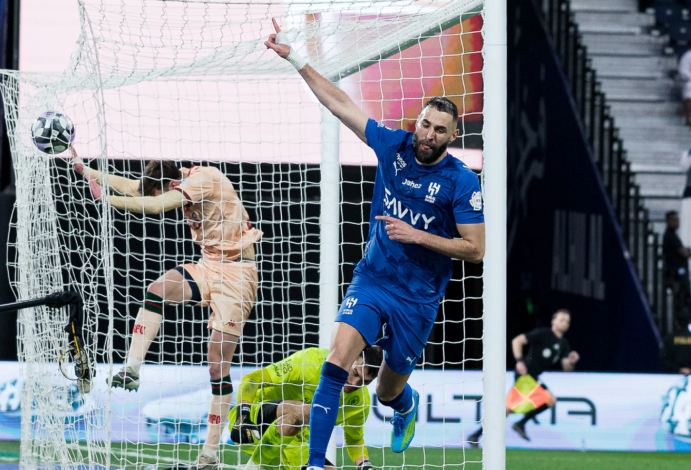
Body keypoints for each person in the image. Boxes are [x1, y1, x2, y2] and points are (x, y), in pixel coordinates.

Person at [264, 18, 486, 467]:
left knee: (385, 391)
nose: (428, 135)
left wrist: (418, 235)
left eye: (439, 130)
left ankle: (405, 404)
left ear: (453, 136)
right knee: (336, 364)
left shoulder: (462, 181)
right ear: (417, 122)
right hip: (373, 280)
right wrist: (297, 59)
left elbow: (476, 249)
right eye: (425, 124)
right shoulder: (393, 146)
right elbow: (340, 103)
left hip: (417, 298)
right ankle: (316, 462)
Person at [71, 147, 262, 470]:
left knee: (217, 365)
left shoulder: (203, 180)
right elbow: (136, 188)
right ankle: (132, 368)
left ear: (173, 185)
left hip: (238, 275)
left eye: (162, 191)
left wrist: (106, 200)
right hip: (209, 265)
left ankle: (209, 454)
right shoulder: (173, 181)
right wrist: (87, 172)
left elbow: (155, 205)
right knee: (157, 290)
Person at [222, 347, 380, 470]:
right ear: (349, 357)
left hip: (292, 444)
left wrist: (365, 465)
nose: (355, 384)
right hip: (253, 423)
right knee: (307, 411)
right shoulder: (312, 361)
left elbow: (354, 439)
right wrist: (243, 414)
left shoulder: (359, 402)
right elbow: (253, 378)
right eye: (355, 373)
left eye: (365, 382)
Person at [467, 309, 580, 446]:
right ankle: (519, 424)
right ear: (553, 322)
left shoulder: (564, 344)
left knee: (510, 409)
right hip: (525, 373)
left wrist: (571, 361)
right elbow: (517, 341)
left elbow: (567, 368)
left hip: (533, 376)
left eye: (567, 321)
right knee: (549, 400)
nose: (565, 323)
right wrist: (519, 361)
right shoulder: (543, 333)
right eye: (561, 320)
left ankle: (476, 435)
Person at [663, 211, 691, 325]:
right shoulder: (670, 236)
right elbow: (684, 252)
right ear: (668, 221)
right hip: (676, 276)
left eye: (677, 219)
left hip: (678, 276)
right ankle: (679, 324)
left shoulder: (673, 235)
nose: (677, 222)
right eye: (674, 220)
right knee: (681, 300)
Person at [679, 49, 691, 126]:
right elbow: (683, 70)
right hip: (690, 80)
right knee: (689, 87)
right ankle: (689, 117)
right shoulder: (688, 55)